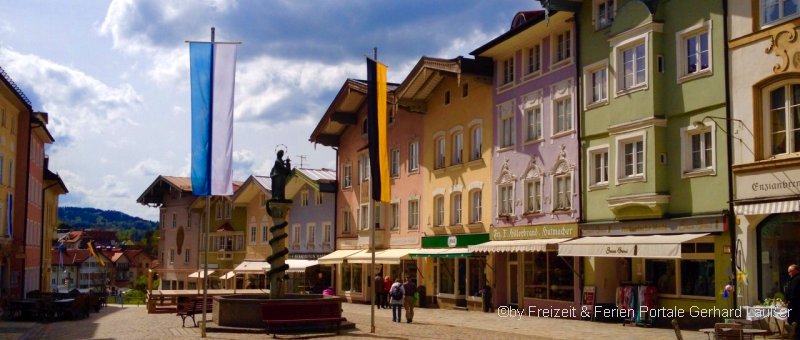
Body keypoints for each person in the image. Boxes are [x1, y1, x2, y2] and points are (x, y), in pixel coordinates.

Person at [786, 264, 800, 339]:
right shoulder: (793, 279)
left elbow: (793, 292)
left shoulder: (796, 279)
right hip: (794, 303)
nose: (789, 274)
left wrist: (790, 300)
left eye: (790, 271)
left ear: (795, 270)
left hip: (795, 304)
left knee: (794, 320)